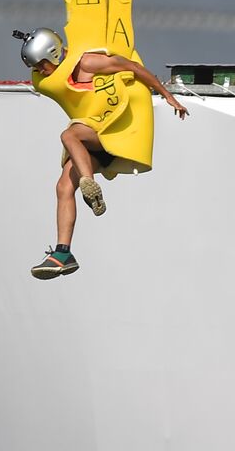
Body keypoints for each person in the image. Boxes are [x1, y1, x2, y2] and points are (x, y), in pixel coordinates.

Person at [14, 28, 189, 279]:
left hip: (112, 134)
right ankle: (63, 253)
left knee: (69, 135)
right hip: (90, 142)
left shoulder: (88, 62)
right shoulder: (53, 78)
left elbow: (133, 67)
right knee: (63, 187)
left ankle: (89, 183)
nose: (39, 72)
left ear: (52, 54)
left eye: (41, 65)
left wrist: (168, 97)